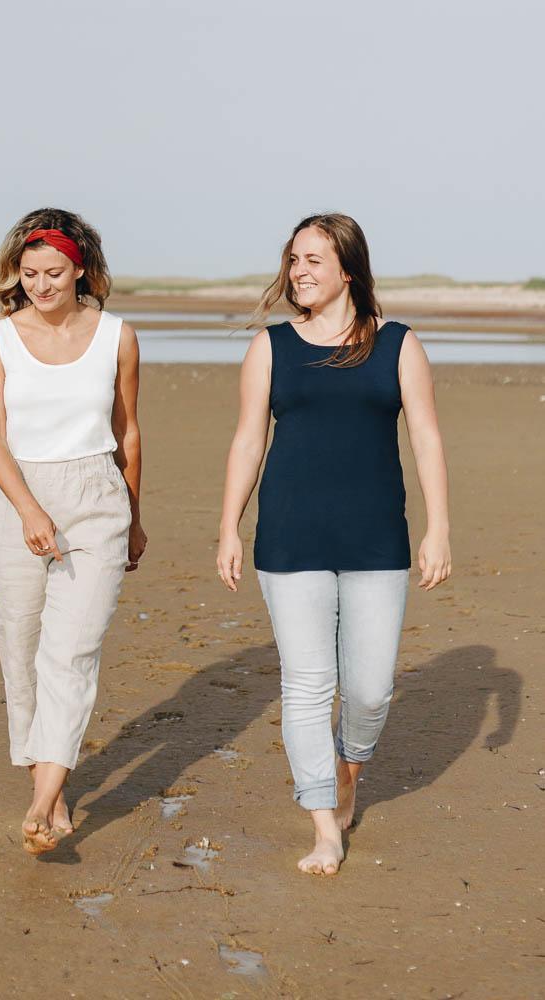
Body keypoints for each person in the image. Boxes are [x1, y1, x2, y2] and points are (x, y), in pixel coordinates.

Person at [217, 213, 451, 876]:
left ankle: (348, 768)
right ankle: (323, 823)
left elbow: (426, 437)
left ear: (348, 269)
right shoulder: (271, 347)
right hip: (290, 536)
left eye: (313, 259)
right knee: (307, 684)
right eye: (293, 259)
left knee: (370, 690)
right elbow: (247, 440)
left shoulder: (398, 344)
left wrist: (438, 527)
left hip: (376, 537)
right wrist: (228, 525)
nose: (299, 271)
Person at [0, 208, 147, 856]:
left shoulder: (118, 336)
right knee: (21, 650)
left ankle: (44, 801)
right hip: (16, 498)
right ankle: (47, 783)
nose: (40, 285)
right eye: (29, 273)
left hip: (96, 498)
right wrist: (29, 510)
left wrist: (134, 517)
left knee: (71, 652)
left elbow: (127, 433)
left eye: (53, 273)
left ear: (80, 270)